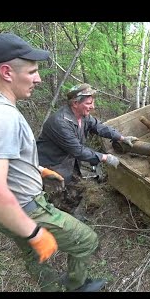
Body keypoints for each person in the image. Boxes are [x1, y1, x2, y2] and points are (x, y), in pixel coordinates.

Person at [0, 33, 106, 292]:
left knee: (32, 255)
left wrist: (37, 169)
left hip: (6, 209)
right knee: (86, 239)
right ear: (7, 72)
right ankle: (77, 287)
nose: (38, 78)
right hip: (24, 207)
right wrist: (34, 231)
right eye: (32, 71)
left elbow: (3, 159)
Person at [36, 83, 138, 212]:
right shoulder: (60, 122)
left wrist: (122, 138)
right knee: (58, 195)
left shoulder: (82, 116)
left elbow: (99, 127)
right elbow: (78, 151)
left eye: (92, 103)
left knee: (77, 189)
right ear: (75, 103)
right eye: (89, 103)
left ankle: (70, 213)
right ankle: (59, 219)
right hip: (52, 164)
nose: (92, 107)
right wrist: (105, 157)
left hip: (68, 160)